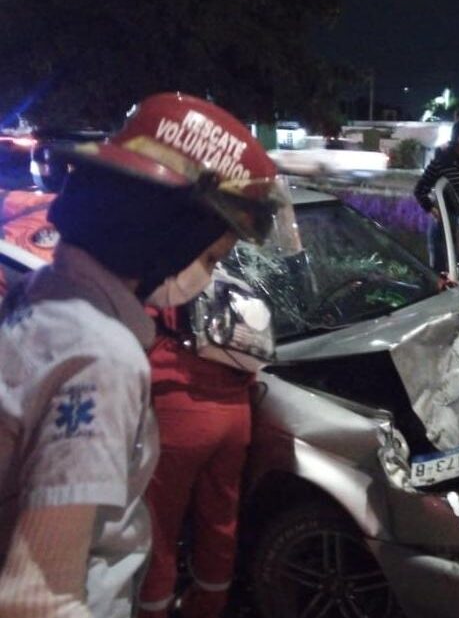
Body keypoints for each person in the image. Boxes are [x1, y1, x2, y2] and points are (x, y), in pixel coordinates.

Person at [0, 92, 284, 617]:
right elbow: (36, 598)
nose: (207, 275)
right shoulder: (100, 357)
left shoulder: (38, 298)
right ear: (169, 236)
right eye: (211, 255)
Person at [137, 308, 257, 618]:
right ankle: (207, 606)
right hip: (236, 408)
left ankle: (152, 610)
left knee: (158, 524)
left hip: (182, 407)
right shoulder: (231, 269)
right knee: (220, 518)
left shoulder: (169, 272)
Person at [414, 118, 459, 272]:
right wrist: (431, 209)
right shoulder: (442, 161)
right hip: (446, 223)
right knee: (441, 268)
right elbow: (420, 189)